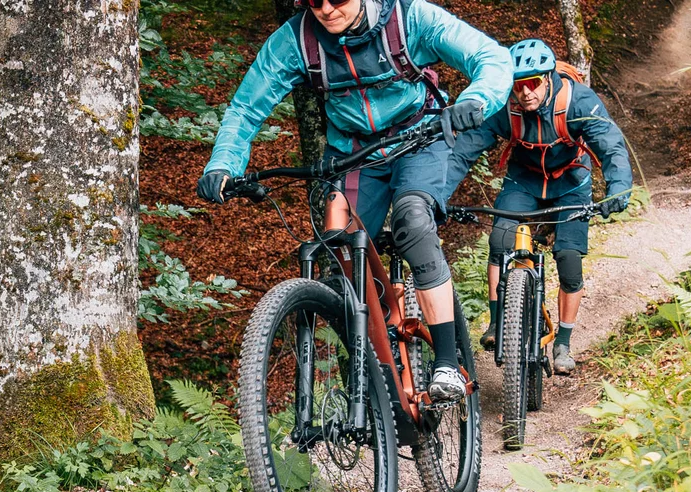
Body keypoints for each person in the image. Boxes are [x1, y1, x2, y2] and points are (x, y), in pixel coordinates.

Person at [196, 0, 514, 400]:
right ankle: (374, 365)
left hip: (419, 140)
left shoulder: (410, 18)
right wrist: (222, 164)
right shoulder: (296, 41)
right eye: (315, 1)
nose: (327, 10)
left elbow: (492, 57)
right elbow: (245, 108)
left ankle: (448, 364)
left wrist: (477, 99)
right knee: (339, 243)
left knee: (413, 221)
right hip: (352, 152)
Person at [445, 38, 633, 375]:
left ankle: (563, 341)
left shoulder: (578, 102)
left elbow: (611, 145)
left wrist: (618, 187)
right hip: (525, 179)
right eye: (518, 86)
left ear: (547, 79)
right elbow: (464, 151)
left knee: (569, 257)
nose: (525, 93)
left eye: (533, 83)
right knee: (500, 240)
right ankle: (497, 320)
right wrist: (436, 193)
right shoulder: (505, 107)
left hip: (570, 183)